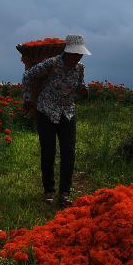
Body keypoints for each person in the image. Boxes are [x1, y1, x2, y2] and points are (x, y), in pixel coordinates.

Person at [21, 34, 90, 208]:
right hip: (46, 110)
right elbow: (28, 76)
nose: (78, 57)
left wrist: (84, 90)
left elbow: (81, 84)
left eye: (80, 54)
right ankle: (49, 191)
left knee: (69, 151)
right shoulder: (52, 64)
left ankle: (65, 193)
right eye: (76, 54)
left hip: (67, 112)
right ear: (67, 52)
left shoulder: (80, 68)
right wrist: (28, 98)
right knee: (48, 151)